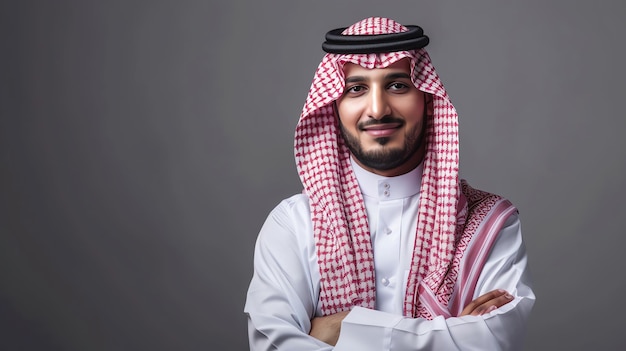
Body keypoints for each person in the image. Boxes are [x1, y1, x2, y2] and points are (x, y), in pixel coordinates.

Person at [244, 17, 535, 350]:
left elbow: (494, 343)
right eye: (356, 89)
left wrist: (343, 327)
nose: (378, 109)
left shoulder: (491, 223)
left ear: (426, 99)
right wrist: (448, 333)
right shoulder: (294, 225)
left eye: (397, 86)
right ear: (333, 107)